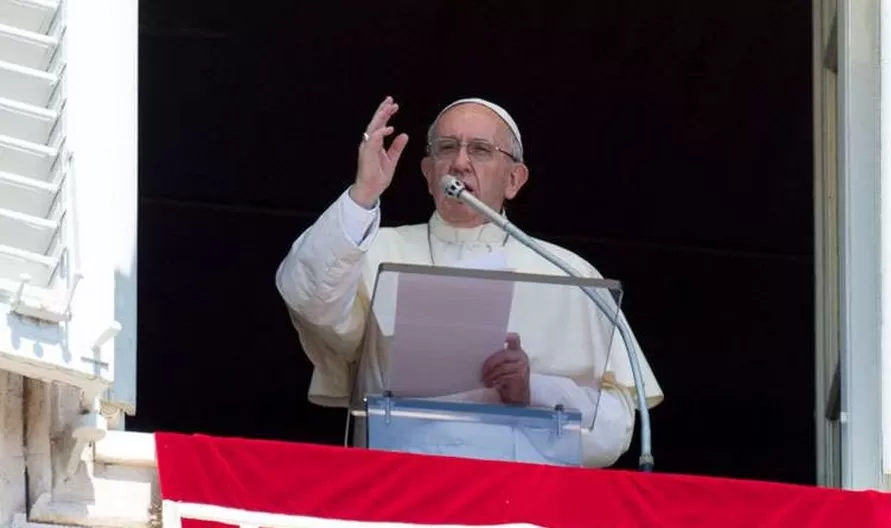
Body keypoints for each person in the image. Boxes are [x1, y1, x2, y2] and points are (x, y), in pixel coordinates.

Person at [275, 96, 664, 467]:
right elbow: (306, 296)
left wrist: (534, 391)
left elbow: (615, 430)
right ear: (428, 174)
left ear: (514, 178)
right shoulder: (373, 248)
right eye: (446, 148)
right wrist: (363, 195)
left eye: (480, 150)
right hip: (399, 489)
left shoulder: (567, 273)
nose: (459, 162)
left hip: (519, 502)